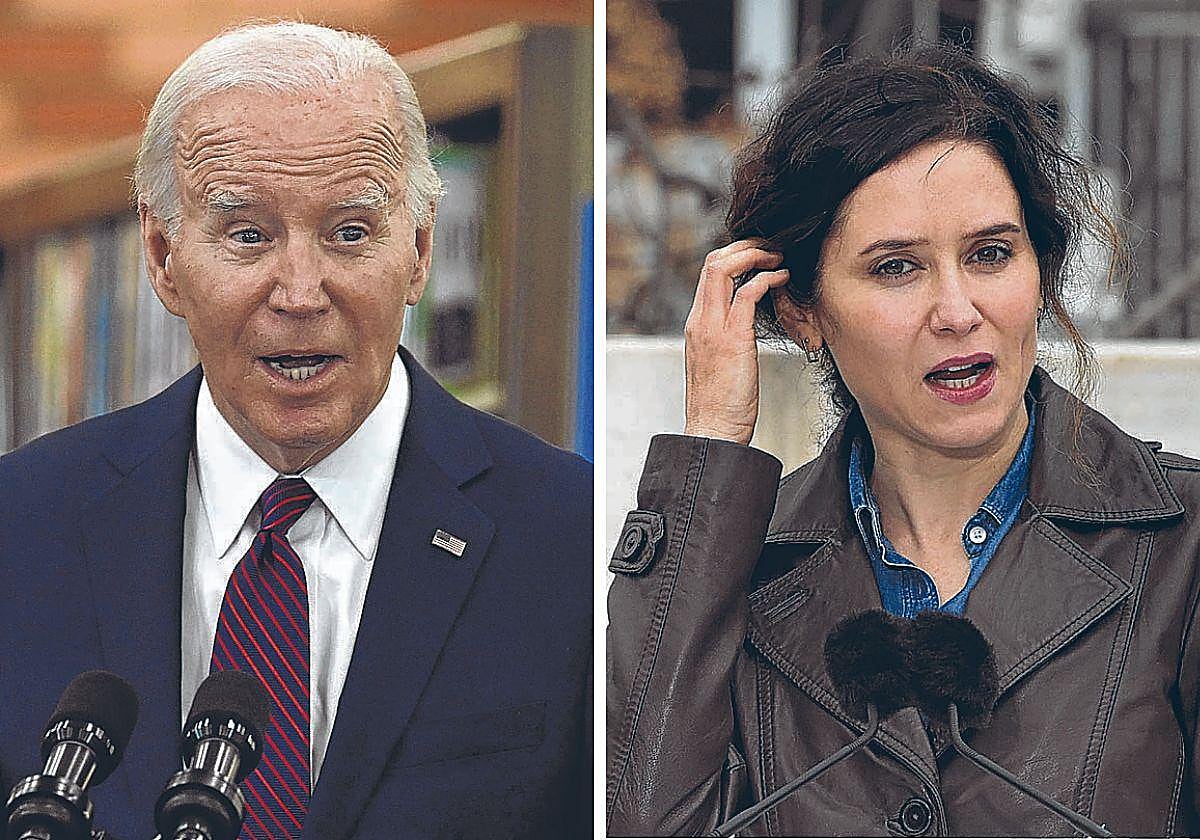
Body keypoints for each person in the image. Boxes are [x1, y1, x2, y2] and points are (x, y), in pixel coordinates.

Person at [0, 21, 591, 840]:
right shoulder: (21, 524)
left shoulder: (572, 533)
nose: (301, 292)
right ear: (164, 256)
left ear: (419, 252)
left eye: (350, 233)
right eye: (249, 236)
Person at [607, 44, 1200, 837]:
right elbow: (647, 820)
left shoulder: (1182, 543)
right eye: (896, 269)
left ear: (1041, 273)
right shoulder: (737, 565)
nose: (957, 310)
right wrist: (712, 445)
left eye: (991, 254)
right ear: (801, 311)